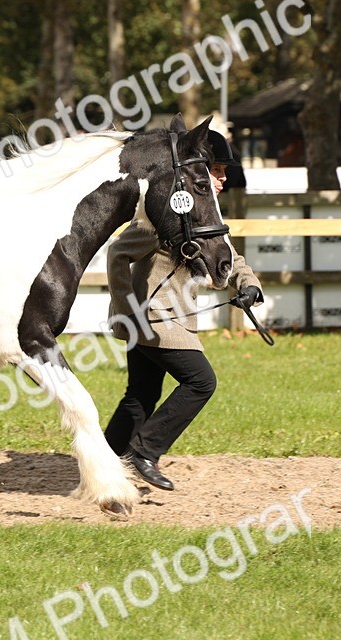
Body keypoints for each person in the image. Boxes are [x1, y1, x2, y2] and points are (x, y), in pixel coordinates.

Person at [103, 130, 263, 491]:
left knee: (141, 395)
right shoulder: (166, 214)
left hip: (168, 319)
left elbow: (228, 255)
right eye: (218, 170)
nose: (223, 178)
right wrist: (127, 308)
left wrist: (249, 283)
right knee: (201, 382)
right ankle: (144, 452)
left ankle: (105, 461)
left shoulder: (201, 212)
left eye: (223, 172)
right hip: (154, 319)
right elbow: (117, 253)